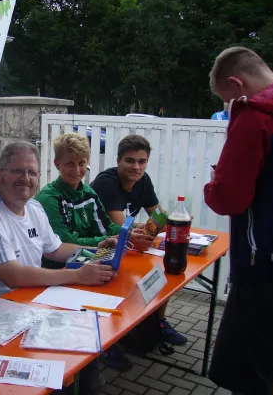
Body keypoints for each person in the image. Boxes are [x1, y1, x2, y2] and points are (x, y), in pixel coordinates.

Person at [0, 141, 115, 395]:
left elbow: (54, 249)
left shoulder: (33, 208)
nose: (26, 178)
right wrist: (77, 275)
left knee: (84, 347)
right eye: (17, 171)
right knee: (47, 378)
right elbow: (13, 275)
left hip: (15, 308)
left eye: (31, 172)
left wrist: (99, 250)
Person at [205, 46, 273, 395]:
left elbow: (228, 198)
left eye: (226, 101)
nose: (228, 109)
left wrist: (215, 181)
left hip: (267, 273)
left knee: (246, 376)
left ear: (236, 83)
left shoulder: (255, 115)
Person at [36, 132, 155, 372]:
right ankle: (97, 352)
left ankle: (111, 343)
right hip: (57, 271)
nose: (77, 170)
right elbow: (64, 242)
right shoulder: (49, 197)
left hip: (89, 260)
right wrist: (107, 240)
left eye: (81, 163)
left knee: (127, 288)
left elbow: (107, 226)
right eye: (70, 163)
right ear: (57, 164)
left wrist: (125, 235)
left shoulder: (88, 193)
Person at [90, 135, 187, 346]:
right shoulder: (107, 182)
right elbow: (121, 229)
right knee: (137, 278)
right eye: (130, 161)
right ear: (118, 161)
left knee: (165, 271)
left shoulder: (143, 180)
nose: (136, 167)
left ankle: (158, 324)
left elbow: (158, 216)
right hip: (100, 245)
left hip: (122, 245)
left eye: (142, 162)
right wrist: (144, 229)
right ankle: (111, 341)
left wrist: (176, 221)